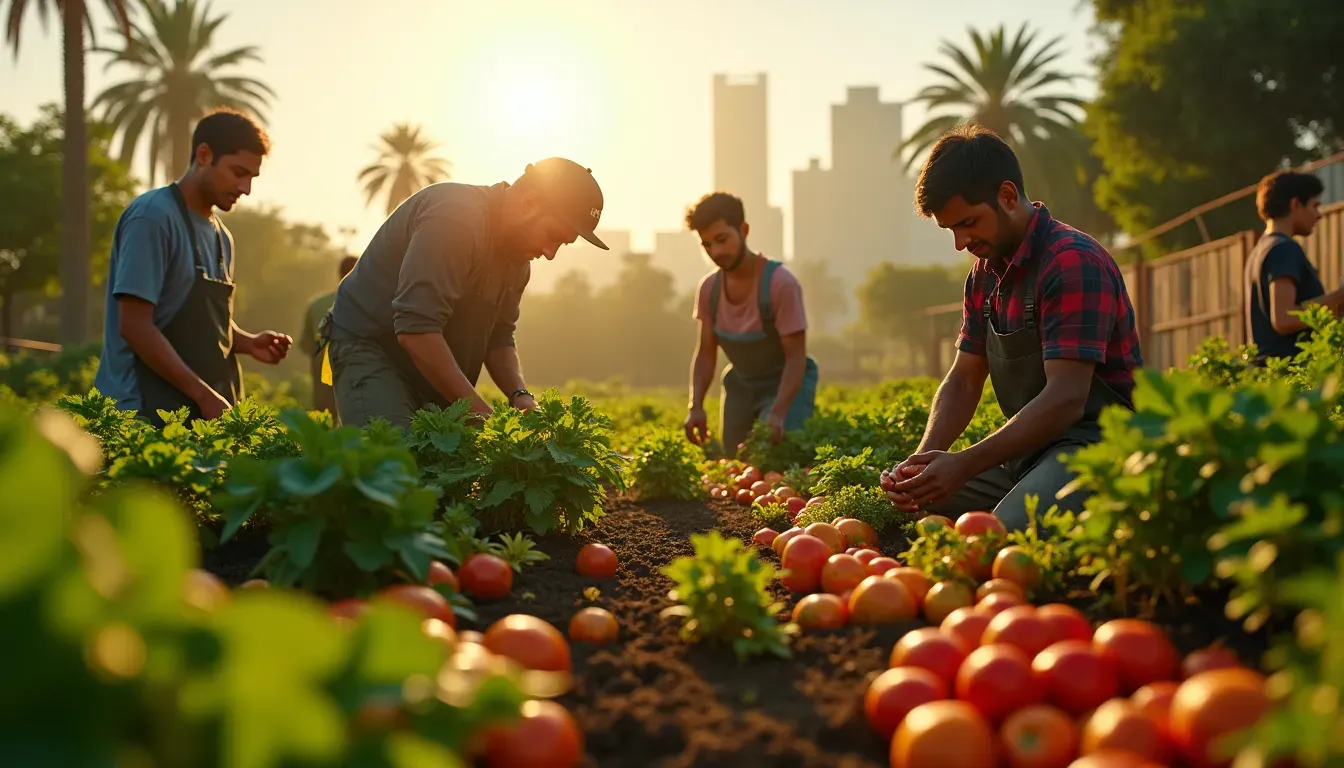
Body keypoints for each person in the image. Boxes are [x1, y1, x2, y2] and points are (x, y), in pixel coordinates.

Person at [881, 124, 1142, 531]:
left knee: (1000, 534)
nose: (960, 242)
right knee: (926, 500)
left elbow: (1066, 399)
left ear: (1006, 196)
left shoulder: (1072, 263)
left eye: (968, 223)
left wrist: (964, 464)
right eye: (951, 230)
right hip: (1028, 454)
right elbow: (964, 380)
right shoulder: (983, 276)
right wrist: (921, 464)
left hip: (1096, 450)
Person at [319, 157, 608, 428]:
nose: (550, 253)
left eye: (563, 245)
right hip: (370, 346)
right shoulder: (455, 219)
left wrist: (520, 394)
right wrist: (483, 416)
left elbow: (499, 337)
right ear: (530, 204)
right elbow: (416, 330)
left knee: (446, 471)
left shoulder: (518, 260)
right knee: (395, 466)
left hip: (427, 368)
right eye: (554, 236)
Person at [93, 108, 292, 427]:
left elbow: (197, 324)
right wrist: (202, 395)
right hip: (143, 415)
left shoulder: (222, 237)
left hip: (202, 420)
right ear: (203, 155)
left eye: (252, 177)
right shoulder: (152, 219)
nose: (246, 188)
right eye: (238, 172)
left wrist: (246, 342)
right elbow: (135, 325)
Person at [682, 191, 817, 456]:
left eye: (722, 240)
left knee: (780, 454)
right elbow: (706, 352)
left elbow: (795, 357)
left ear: (743, 230)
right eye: (707, 245)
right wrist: (695, 405)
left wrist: (778, 413)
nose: (716, 252)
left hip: (786, 381)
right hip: (741, 384)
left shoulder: (781, 284)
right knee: (735, 457)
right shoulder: (710, 289)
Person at [1244, 170, 1344, 362]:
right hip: (1289, 379)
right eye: (1315, 206)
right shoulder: (1284, 249)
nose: (1319, 215)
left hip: (1269, 378)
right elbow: (1284, 319)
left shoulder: (1260, 251)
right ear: (1295, 204)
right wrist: (1338, 297)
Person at [300, 255, 358, 414]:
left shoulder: (316, 305)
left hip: (324, 394)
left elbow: (307, 347)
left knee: (326, 432)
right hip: (358, 387)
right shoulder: (369, 304)